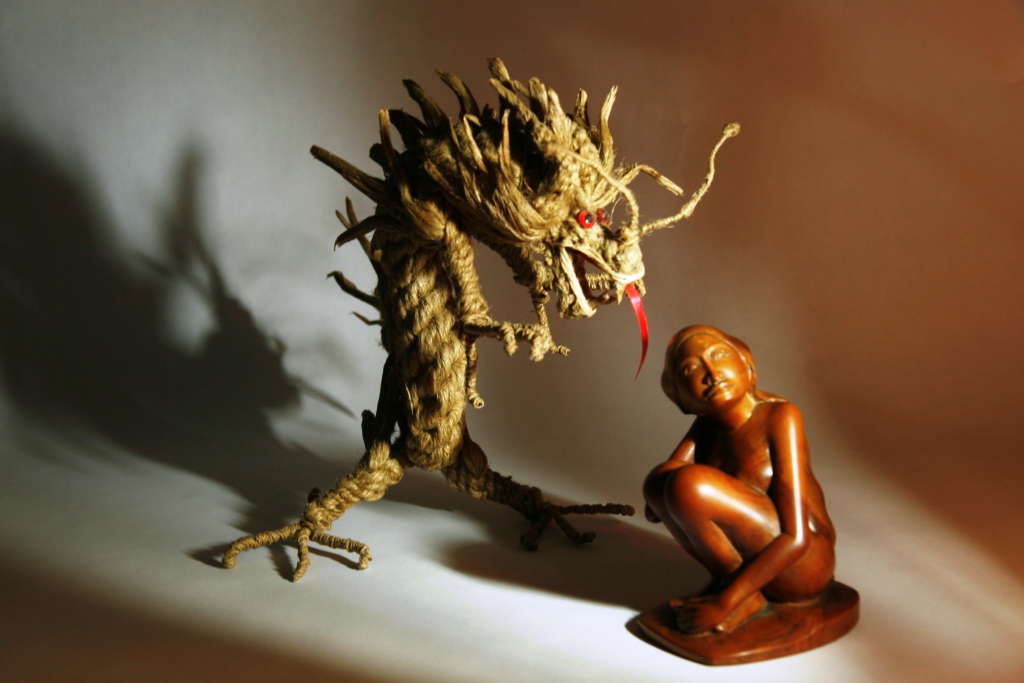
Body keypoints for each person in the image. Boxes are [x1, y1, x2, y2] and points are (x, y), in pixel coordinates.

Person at [643, 325, 836, 635]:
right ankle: (734, 587)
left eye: (719, 355)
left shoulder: (780, 416)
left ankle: (738, 598)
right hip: (767, 558)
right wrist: (662, 492)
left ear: (747, 365)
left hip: (804, 564)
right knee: (658, 483)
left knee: (688, 485)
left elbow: (796, 537)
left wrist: (724, 603)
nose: (711, 373)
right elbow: (653, 508)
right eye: (690, 369)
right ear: (680, 398)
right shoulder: (706, 424)